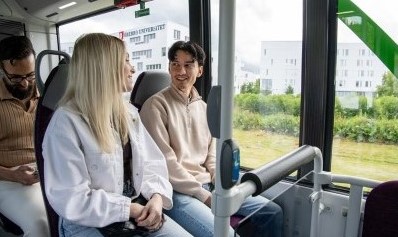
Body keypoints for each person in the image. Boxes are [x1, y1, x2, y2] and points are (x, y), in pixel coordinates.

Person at [42, 33, 192, 237]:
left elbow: (152, 164)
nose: (133, 68)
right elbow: (72, 198)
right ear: (105, 67)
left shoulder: (128, 113)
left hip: (134, 212)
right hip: (87, 223)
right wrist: (127, 208)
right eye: (127, 60)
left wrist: (156, 198)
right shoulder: (65, 123)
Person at [140, 40, 284, 237]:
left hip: (209, 184)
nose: (180, 71)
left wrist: (222, 186)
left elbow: (211, 155)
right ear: (169, 68)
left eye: (188, 65)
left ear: (200, 70)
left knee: (271, 212)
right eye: (175, 64)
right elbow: (165, 163)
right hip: (178, 190)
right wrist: (203, 195)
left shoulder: (205, 108)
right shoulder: (155, 106)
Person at [0, 36, 50, 236]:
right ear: (2, 70)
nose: (24, 84)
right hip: (7, 177)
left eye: (29, 75)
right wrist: (12, 174)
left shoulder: (47, 96)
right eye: (16, 78)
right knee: (41, 225)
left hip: (46, 171)